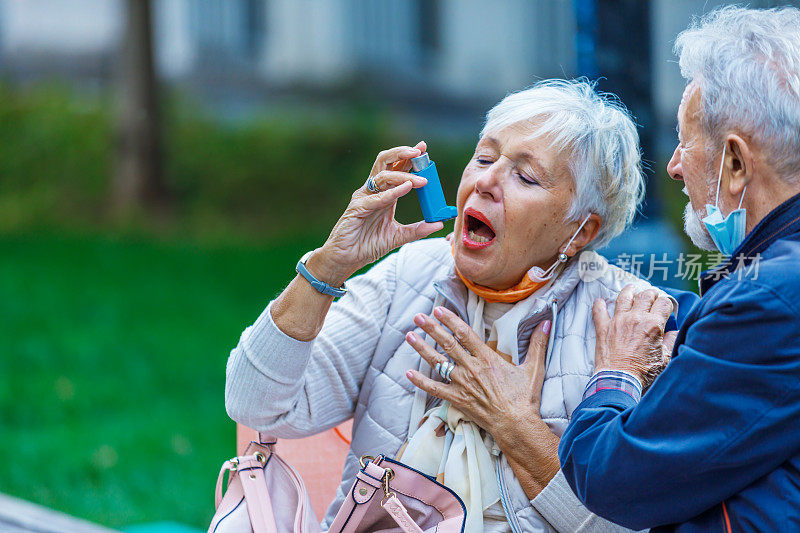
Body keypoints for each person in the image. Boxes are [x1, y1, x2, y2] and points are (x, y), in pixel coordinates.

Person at [225, 79, 672, 532]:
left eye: (526, 177)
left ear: (581, 230)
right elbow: (255, 404)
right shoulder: (412, 274)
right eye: (483, 157)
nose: (485, 182)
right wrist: (327, 268)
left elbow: (625, 524)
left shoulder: (625, 322)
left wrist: (514, 424)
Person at [557, 6, 800, 532]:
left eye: (685, 143)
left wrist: (617, 371)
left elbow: (610, 474)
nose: (671, 166)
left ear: (735, 163)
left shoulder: (774, 298)